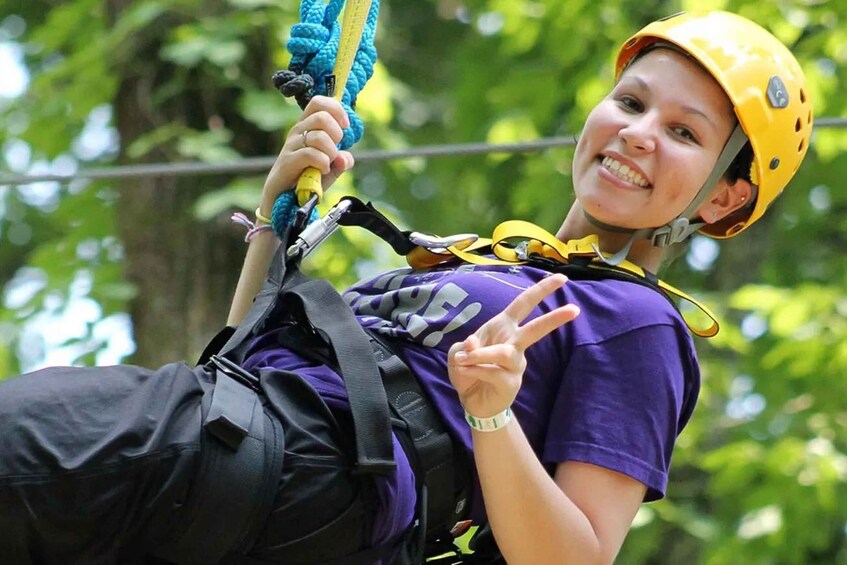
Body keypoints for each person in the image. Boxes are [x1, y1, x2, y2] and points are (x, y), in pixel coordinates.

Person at [0, 10, 811, 565]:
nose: (637, 132)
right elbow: (244, 361)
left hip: (303, 479)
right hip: (239, 452)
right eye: (630, 102)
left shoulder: (631, 320)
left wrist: (491, 412)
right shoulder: (470, 262)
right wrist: (272, 217)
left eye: (682, 132)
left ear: (722, 195)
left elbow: (575, 553)